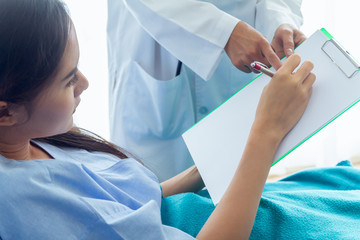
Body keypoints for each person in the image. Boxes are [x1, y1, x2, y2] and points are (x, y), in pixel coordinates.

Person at [1, 1, 360, 239]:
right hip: (218, 224)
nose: (84, 83)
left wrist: (204, 169)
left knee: (342, 182)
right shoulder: (22, 199)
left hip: (208, 207)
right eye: (68, 80)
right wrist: (265, 134)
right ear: (5, 111)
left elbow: (130, 201)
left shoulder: (37, 145)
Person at [107, 0, 307, 181]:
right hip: (157, 51)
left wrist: (280, 18)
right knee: (153, 203)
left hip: (242, 62)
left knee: (234, 191)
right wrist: (224, 32)